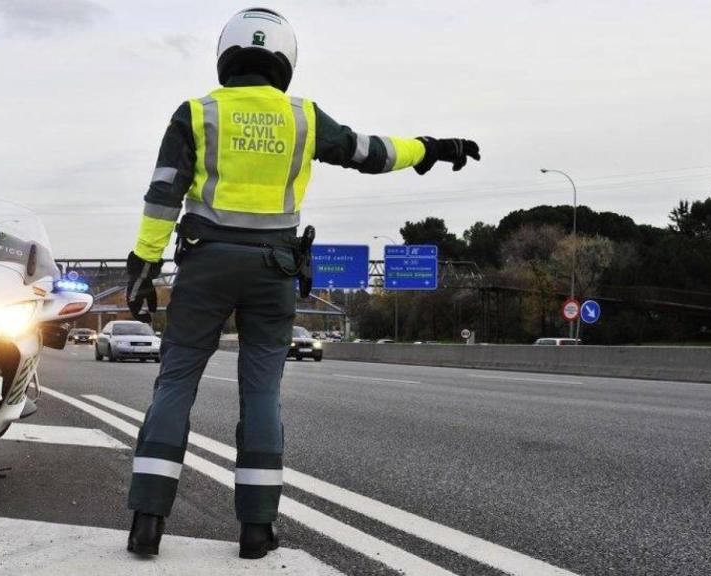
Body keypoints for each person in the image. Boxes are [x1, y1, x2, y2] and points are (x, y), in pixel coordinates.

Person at [123, 7, 480, 559]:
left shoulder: (196, 113)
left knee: (175, 384)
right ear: (285, 60)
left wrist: (143, 267)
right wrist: (432, 148)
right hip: (274, 272)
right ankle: (257, 529)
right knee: (261, 394)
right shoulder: (303, 117)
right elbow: (370, 151)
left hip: (205, 265)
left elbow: (164, 193)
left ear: (226, 55)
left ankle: (148, 519)